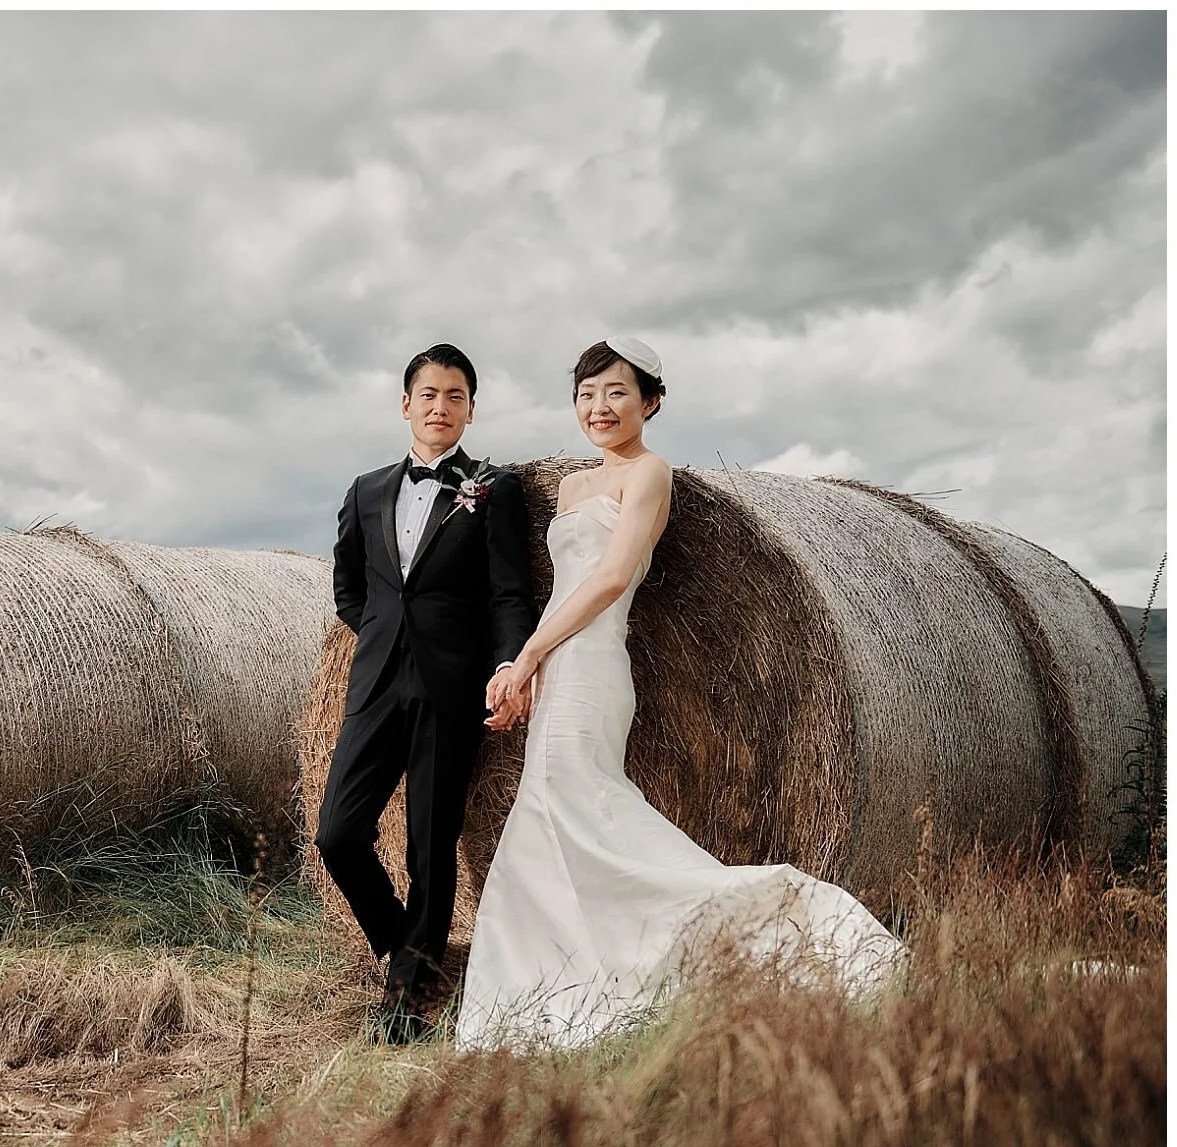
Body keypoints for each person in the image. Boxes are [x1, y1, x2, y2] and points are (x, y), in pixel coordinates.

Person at [458, 338, 904, 1051]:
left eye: (616, 393)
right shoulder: (571, 489)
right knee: (552, 822)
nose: (599, 407)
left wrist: (535, 652)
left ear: (650, 402)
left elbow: (607, 580)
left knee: (575, 812)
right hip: (554, 664)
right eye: (586, 394)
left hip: (596, 664)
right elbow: (562, 587)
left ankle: (761, 919)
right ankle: (559, 991)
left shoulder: (650, 474)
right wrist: (521, 667)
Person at [315, 342, 538, 1045]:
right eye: (429, 394)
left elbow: (509, 592)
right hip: (376, 682)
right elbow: (349, 587)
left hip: (452, 687)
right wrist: (387, 634)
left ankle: (406, 998)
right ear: (405, 403)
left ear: (471, 410)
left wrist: (506, 663)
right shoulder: (366, 489)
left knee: (429, 847)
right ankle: (406, 951)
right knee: (339, 834)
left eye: (456, 396)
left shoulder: (494, 489)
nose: (440, 407)